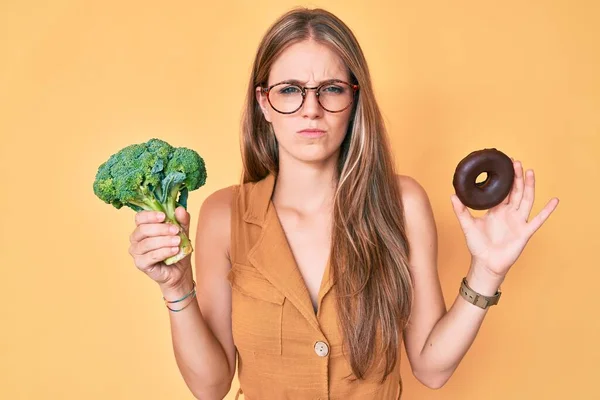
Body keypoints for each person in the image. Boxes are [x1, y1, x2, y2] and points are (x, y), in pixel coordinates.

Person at [127, 7, 559, 400]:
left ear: (353, 99)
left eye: (330, 89)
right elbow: (211, 385)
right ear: (264, 103)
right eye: (289, 90)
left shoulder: (403, 204)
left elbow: (431, 368)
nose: (310, 109)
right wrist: (176, 287)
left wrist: (488, 271)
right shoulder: (224, 215)